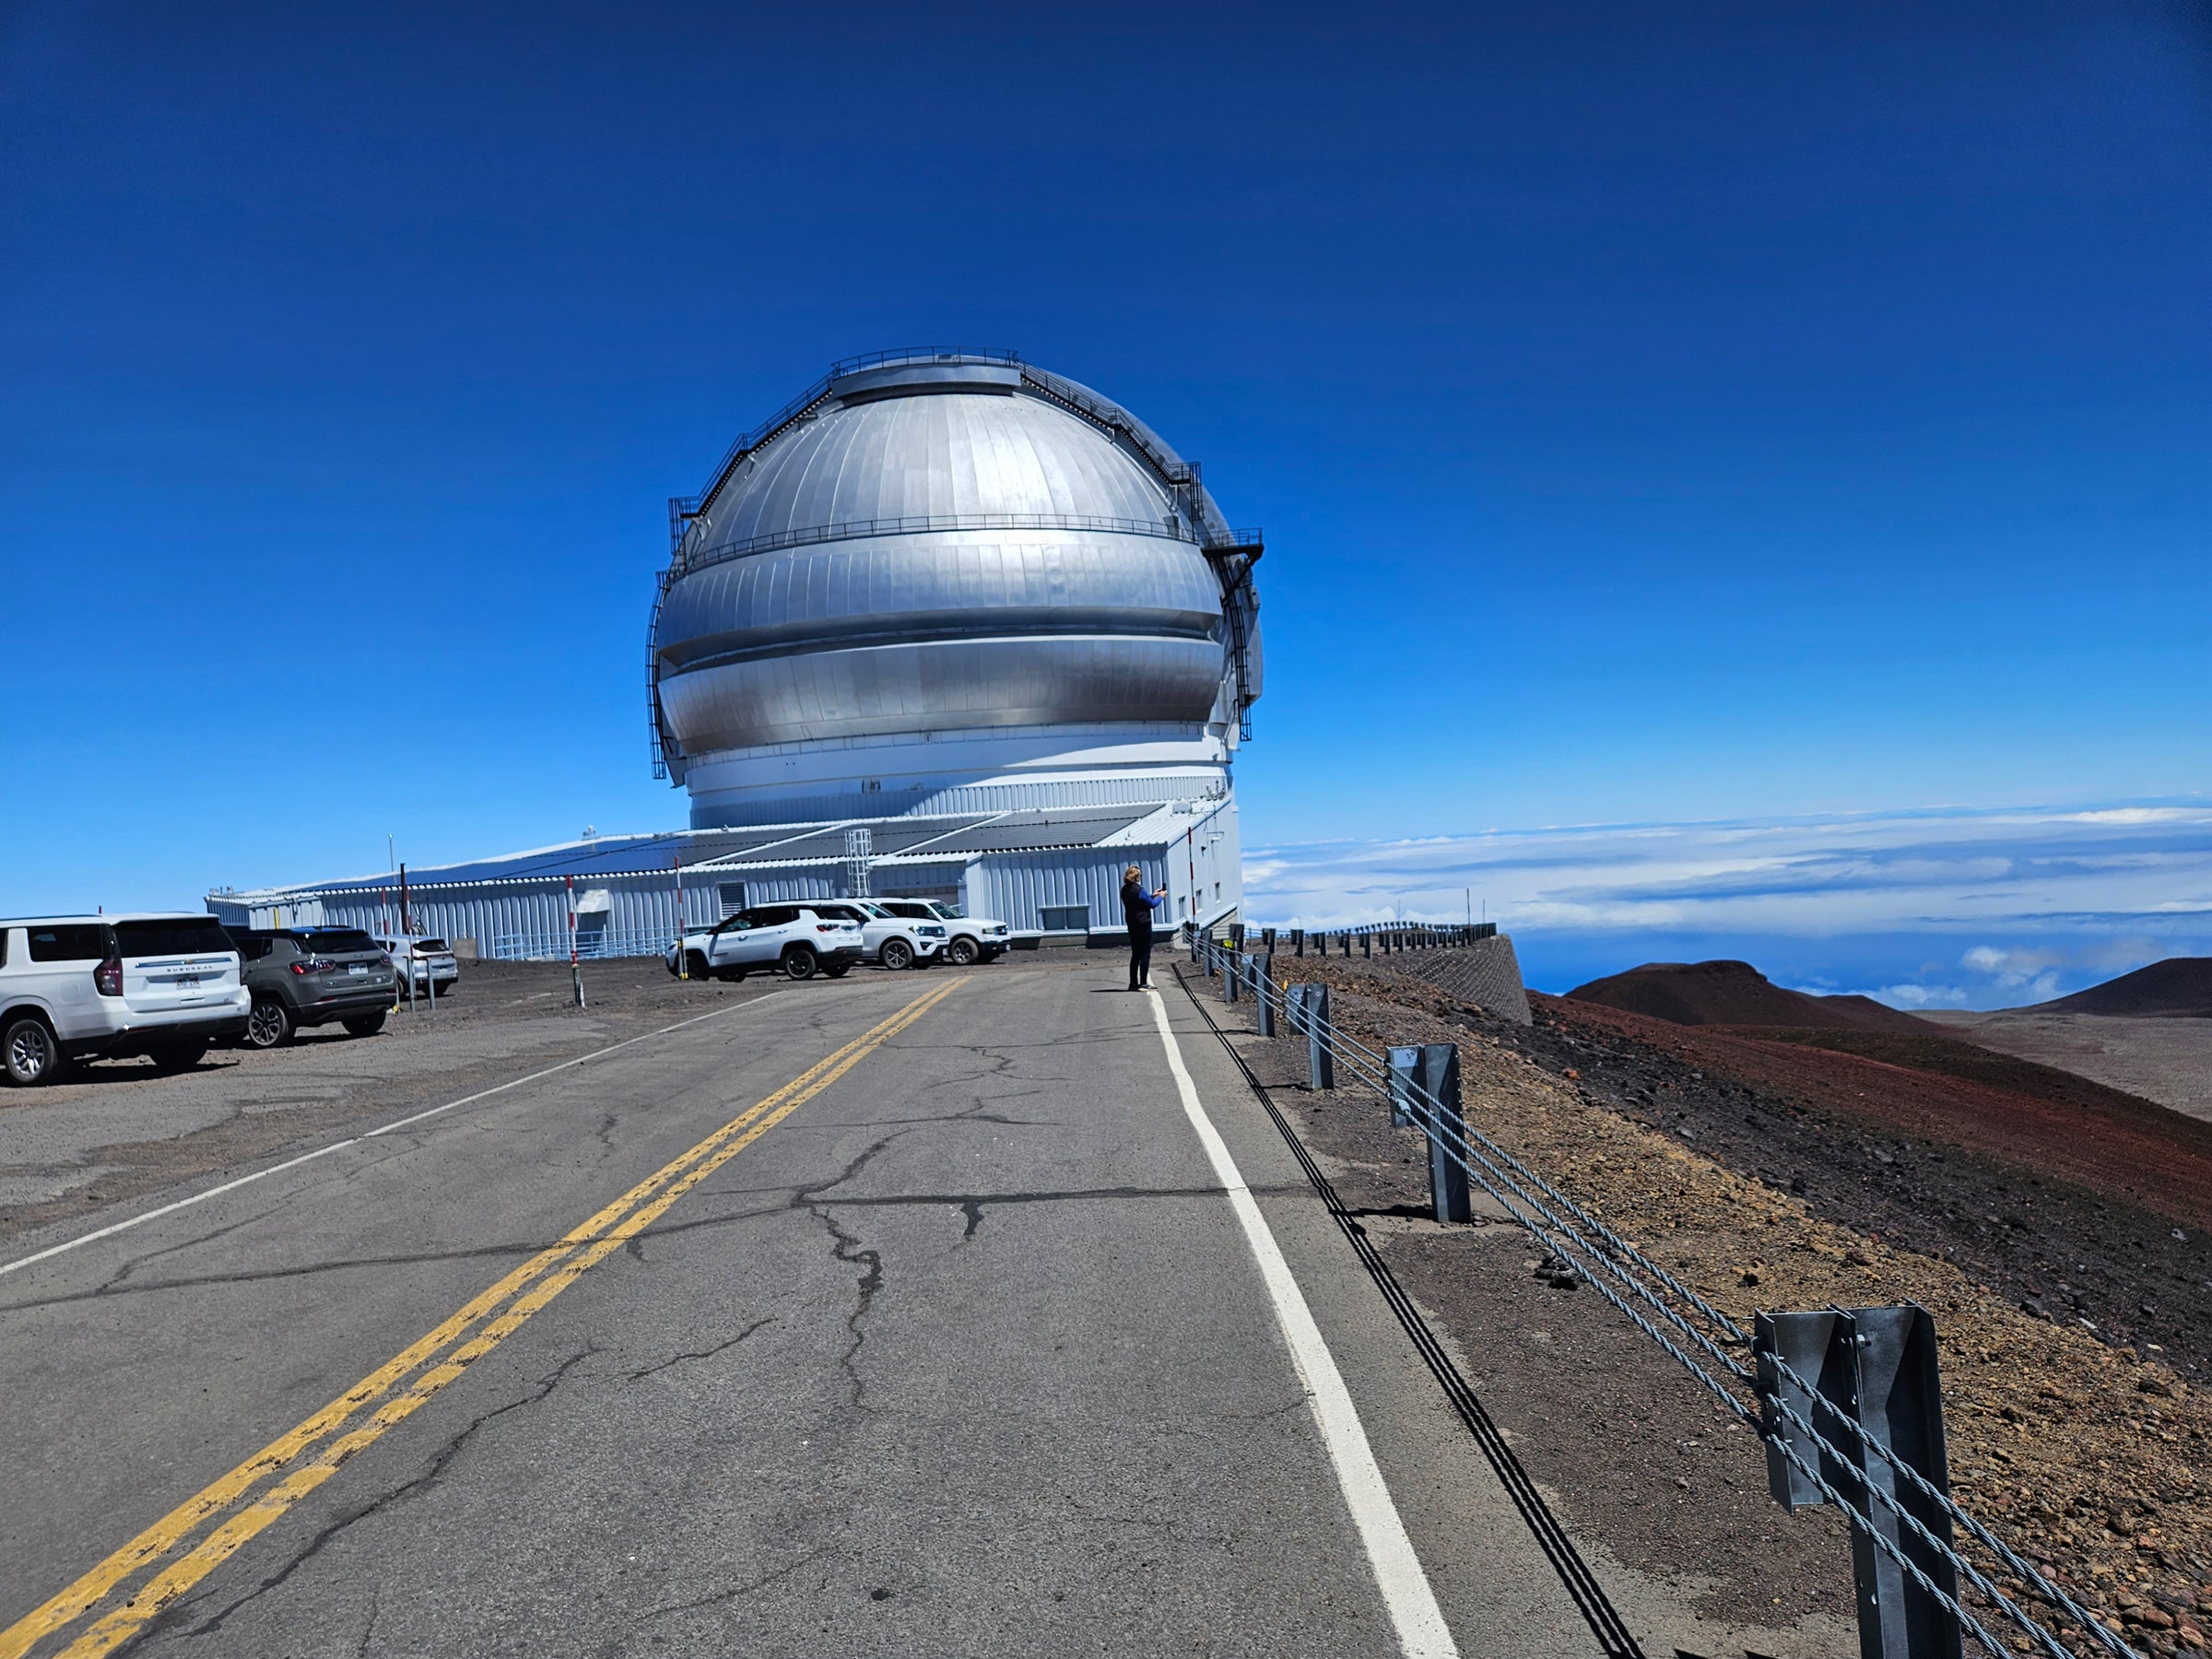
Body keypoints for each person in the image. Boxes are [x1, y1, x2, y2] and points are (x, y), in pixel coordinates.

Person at [1120, 865, 1167, 990]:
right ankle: (1144, 981)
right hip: (1143, 924)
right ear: (1136, 876)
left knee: (1135, 954)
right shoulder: (1139, 889)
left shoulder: (1124, 890)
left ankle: (1133, 983)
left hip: (1132, 924)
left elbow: (1139, 902)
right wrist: (1161, 896)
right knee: (1145, 953)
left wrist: (1152, 895)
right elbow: (1151, 905)